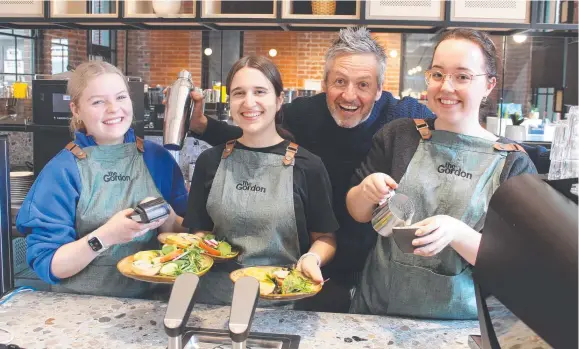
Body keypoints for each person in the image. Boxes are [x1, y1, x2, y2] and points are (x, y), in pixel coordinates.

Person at [183, 26, 433, 312]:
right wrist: (204, 127)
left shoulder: (405, 117)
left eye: (363, 84)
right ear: (324, 83)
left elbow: (451, 133)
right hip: (310, 264)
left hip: (375, 267)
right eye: (339, 81)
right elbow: (256, 136)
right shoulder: (303, 114)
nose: (349, 95)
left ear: (379, 88)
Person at [346, 28, 537, 319]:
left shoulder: (512, 162)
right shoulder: (400, 135)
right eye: (437, 74)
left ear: (489, 85)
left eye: (462, 76)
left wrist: (457, 233)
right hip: (376, 314)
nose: (446, 87)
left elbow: (516, 266)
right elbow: (357, 211)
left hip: (461, 325)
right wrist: (365, 191)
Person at [16, 61, 189, 299]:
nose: (113, 109)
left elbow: (186, 233)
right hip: (82, 306)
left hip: (155, 303)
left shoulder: (157, 158)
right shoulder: (63, 171)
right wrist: (107, 236)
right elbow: (50, 264)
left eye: (120, 97)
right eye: (98, 101)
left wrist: (168, 217)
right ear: (76, 109)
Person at [183, 55, 338, 306]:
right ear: (230, 101)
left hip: (282, 298)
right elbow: (198, 229)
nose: (249, 102)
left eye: (259, 91)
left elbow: (325, 238)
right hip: (214, 301)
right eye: (238, 93)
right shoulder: (209, 161)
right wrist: (204, 243)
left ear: (279, 100)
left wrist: (312, 258)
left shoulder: (308, 166)